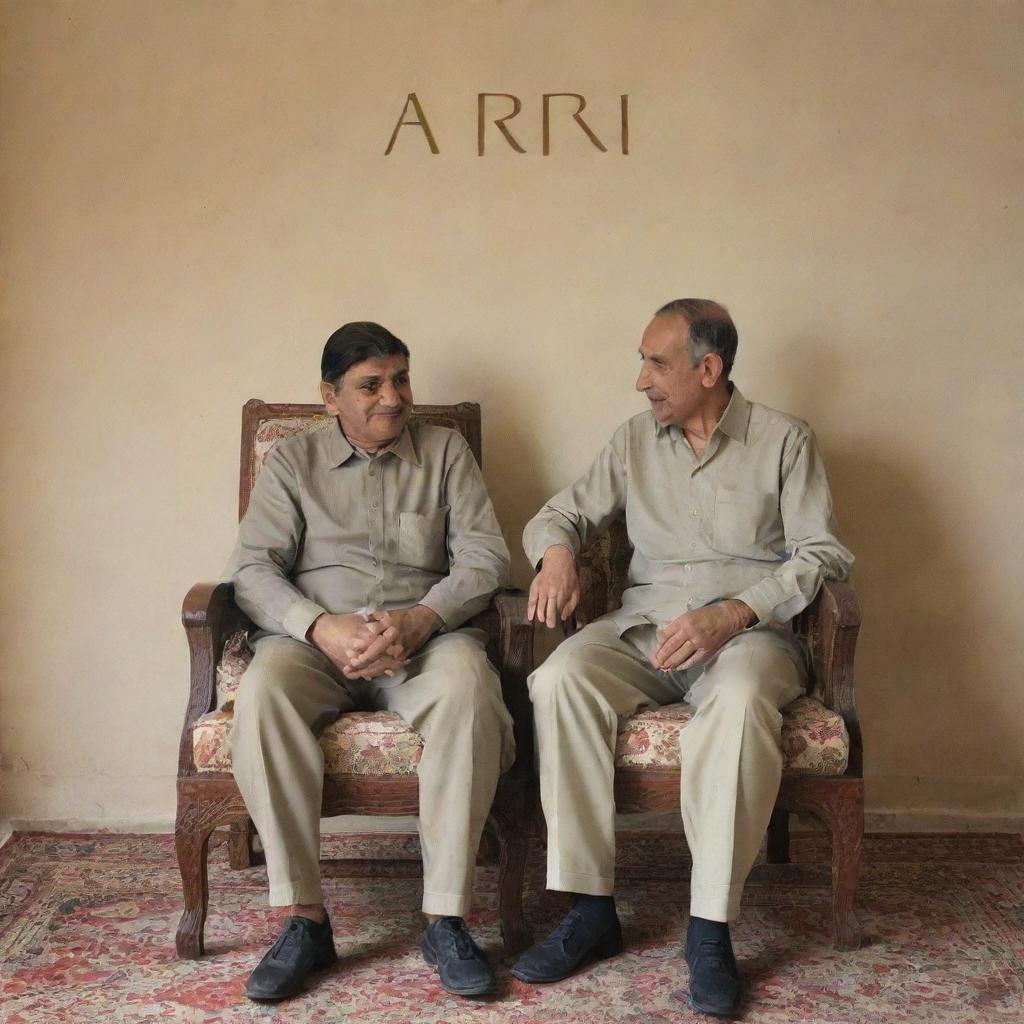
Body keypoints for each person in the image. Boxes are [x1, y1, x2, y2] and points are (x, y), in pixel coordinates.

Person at [513, 299, 853, 1017]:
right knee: (559, 680)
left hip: (749, 639)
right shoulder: (634, 441)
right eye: (641, 361)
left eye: (657, 363)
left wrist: (734, 611)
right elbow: (562, 512)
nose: (642, 380)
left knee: (733, 705)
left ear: (710, 368)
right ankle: (589, 910)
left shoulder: (785, 440)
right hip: (645, 630)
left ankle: (709, 927)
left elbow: (822, 554)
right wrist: (555, 556)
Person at [227, 322, 514, 1001]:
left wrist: (420, 620)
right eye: (371, 385)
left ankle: (445, 919)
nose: (393, 397)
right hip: (315, 647)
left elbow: (485, 559)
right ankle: (304, 920)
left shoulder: (445, 452)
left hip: (424, 644)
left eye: (401, 379)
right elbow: (250, 571)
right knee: (263, 690)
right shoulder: (293, 464)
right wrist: (318, 627)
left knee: (470, 688)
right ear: (329, 397)